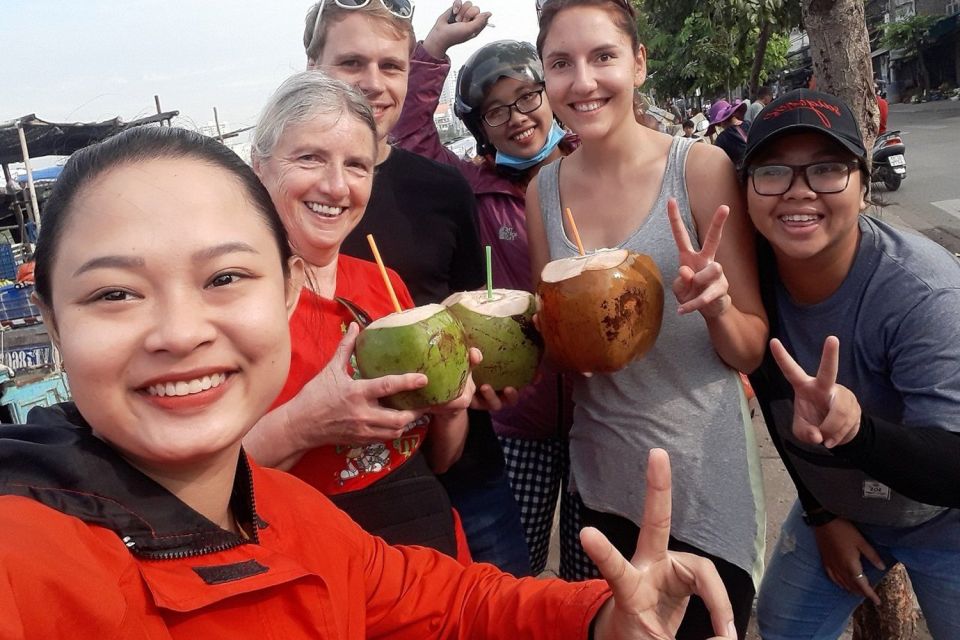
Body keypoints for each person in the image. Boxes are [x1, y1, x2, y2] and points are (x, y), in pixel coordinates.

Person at [0, 124, 739, 640]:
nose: (179, 332)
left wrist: (604, 616)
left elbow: (453, 605)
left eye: (224, 278)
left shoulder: (293, 517)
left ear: (287, 295)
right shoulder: (25, 561)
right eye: (114, 294)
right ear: (53, 321)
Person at [528, 1, 768, 637]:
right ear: (545, 77)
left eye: (603, 56)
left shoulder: (699, 169)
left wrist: (716, 305)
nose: (583, 82)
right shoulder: (542, 192)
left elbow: (748, 350)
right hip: (602, 485)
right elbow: (558, 353)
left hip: (704, 480)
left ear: (638, 62)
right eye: (561, 63)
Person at [302, 0, 530, 575]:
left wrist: (488, 375)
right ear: (312, 66)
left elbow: (466, 316)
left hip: (465, 468)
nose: (373, 85)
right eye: (351, 63)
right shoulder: (289, 201)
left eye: (392, 66)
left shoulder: (440, 188)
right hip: (348, 493)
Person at [743, 88, 960, 640]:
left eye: (826, 169)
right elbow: (775, 406)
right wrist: (820, 514)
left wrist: (857, 432)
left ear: (863, 185)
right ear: (747, 190)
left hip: (947, 521)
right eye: (772, 172)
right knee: (780, 625)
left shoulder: (923, 292)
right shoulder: (750, 283)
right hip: (843, 510)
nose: (798, 192)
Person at [390, 0, 591, 580]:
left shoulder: (592, 170)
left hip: (598, 418)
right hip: (516, 417)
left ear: (548, 98)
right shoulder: (469, 188)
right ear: (479, 127)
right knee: (509, 575)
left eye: (527, 98)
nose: (517, 117)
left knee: (592, 571)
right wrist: (431, 50)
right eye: (495, 111)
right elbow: (412, 135)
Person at [242, 71, 473, 561]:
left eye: (357, 166)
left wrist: (453, 407)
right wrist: (303, 425)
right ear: (258, 167)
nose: (336, 185)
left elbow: (441, 459)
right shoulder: (231, 304)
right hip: (318, 567)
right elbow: (196, 488)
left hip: (432, 555)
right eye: (309, 158)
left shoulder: (384, 286)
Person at [706, 99, 749, 167]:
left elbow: (714, 164)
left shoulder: (723, 138)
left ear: (720, 123)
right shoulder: (749, 124)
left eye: (717, 125)